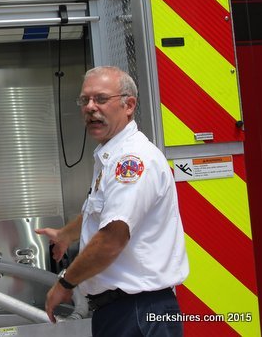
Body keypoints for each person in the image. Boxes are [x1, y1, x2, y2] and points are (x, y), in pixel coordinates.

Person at [36, 66, 189, 336]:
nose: (90, 107)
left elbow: (111, 239)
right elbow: (103, 212)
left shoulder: (132, 160)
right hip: (122, 312)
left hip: (138, 312)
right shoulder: (111, 155)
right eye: (85, 100)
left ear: (129, 105)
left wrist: (65, 283)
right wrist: (66, 234)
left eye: (101, 99)